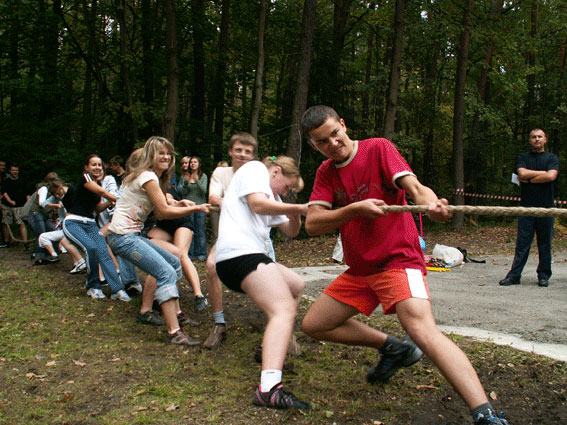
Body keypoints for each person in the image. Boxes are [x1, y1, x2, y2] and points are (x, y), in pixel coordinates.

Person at [299, 105, 510, 425]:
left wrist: (431, 204)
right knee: (314, 324)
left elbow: (414, 188)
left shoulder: (378, 149)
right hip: (361, 271)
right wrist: (354, 209)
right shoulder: (326, 172)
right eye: (323, 142)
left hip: (397, 261)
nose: (333, 144)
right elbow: (313, 223)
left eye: (335, 134)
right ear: (313, 146)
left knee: (422, 331)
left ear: (343, 125)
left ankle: (486, 414)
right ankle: (394, 349)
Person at [215, 155, 309, 409]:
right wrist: (299, 208)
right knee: (283, 309)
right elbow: (257, 204)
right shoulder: (255, 169)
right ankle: (268, 389)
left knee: (295, 285)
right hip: (238, 255)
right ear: (276, 171)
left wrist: (296, 212)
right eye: (287, 186)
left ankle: (268, 346)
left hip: (249, 255)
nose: (286, 193)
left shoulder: (275, 198)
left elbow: (291, 232)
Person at [106, 138, 210, 346]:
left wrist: (180, 203)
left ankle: (177, 315)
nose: (166, 157)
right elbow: (163, 212)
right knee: (165, 273)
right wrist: (196, 208)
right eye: (160, 153)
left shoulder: (150, 177)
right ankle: (174, 333)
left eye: (169, 153)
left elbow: (160, 208)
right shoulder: (147, 176)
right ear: (150, 155)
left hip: (131, 235)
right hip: (123, 237)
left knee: (174, 262)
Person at [202, 132, 257, 349]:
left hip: (256, 236)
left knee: (274, 280)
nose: (242, 154)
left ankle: (283, 329)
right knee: (211, 266)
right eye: (238, 150)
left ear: (253, 155)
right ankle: (219, 323)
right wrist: (226, 203)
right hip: (229, 234)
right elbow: (213, 196)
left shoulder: (257, 173)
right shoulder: (221, 173)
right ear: (230, 151)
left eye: (247, 151)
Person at [62, 154, 130, 302]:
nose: (97, 167)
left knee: (103, 252)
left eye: (100, 165)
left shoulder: (97, 185)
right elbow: (102, 192)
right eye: (94, 165)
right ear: (86, 167)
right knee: (91, 248)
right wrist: (119, 199)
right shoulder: (86, 179)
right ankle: (93, 286)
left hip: (91, 224)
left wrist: (109, 203)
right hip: (74, 222)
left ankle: (117, 289)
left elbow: (97, 208)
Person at [499, 129, 558, 288]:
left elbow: (551, 176)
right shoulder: (523, 158)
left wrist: (531, 180)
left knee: (545, 244)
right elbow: (522, 174)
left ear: (545, 139)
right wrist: (542, 174)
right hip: (526, 209)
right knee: (522, 244)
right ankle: (514, 276)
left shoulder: (552, 158)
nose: (537, 139)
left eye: (539, 137)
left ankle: (543, 276)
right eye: (533, 137)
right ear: (530, 140)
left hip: (547, 209)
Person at [176, 155, 208, 261]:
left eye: (195, 162)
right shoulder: (186, 176)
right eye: (191, 162)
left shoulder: (203, 176)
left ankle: (201, 254)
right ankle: (190, 254)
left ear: (199, 164)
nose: (193, 164)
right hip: (189, 207)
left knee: (200, 231)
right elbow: (183, 192)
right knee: (190, 231)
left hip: (200, 206)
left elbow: (204, 191)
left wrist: (197, 180)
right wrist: (186, 183)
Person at [2, 163, 30, 248]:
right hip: (7, 205)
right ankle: (6, 242)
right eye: (13, 170)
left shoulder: (23, 181)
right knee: (6, 223)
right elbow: (4, 192)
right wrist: (9, 201)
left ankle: (25, 243)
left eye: (16, 170)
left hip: (20, 205)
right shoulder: (6, 181)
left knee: (21, 223)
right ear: (10, 171)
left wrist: (28, 204)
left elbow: (27, 193)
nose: (15, 172)